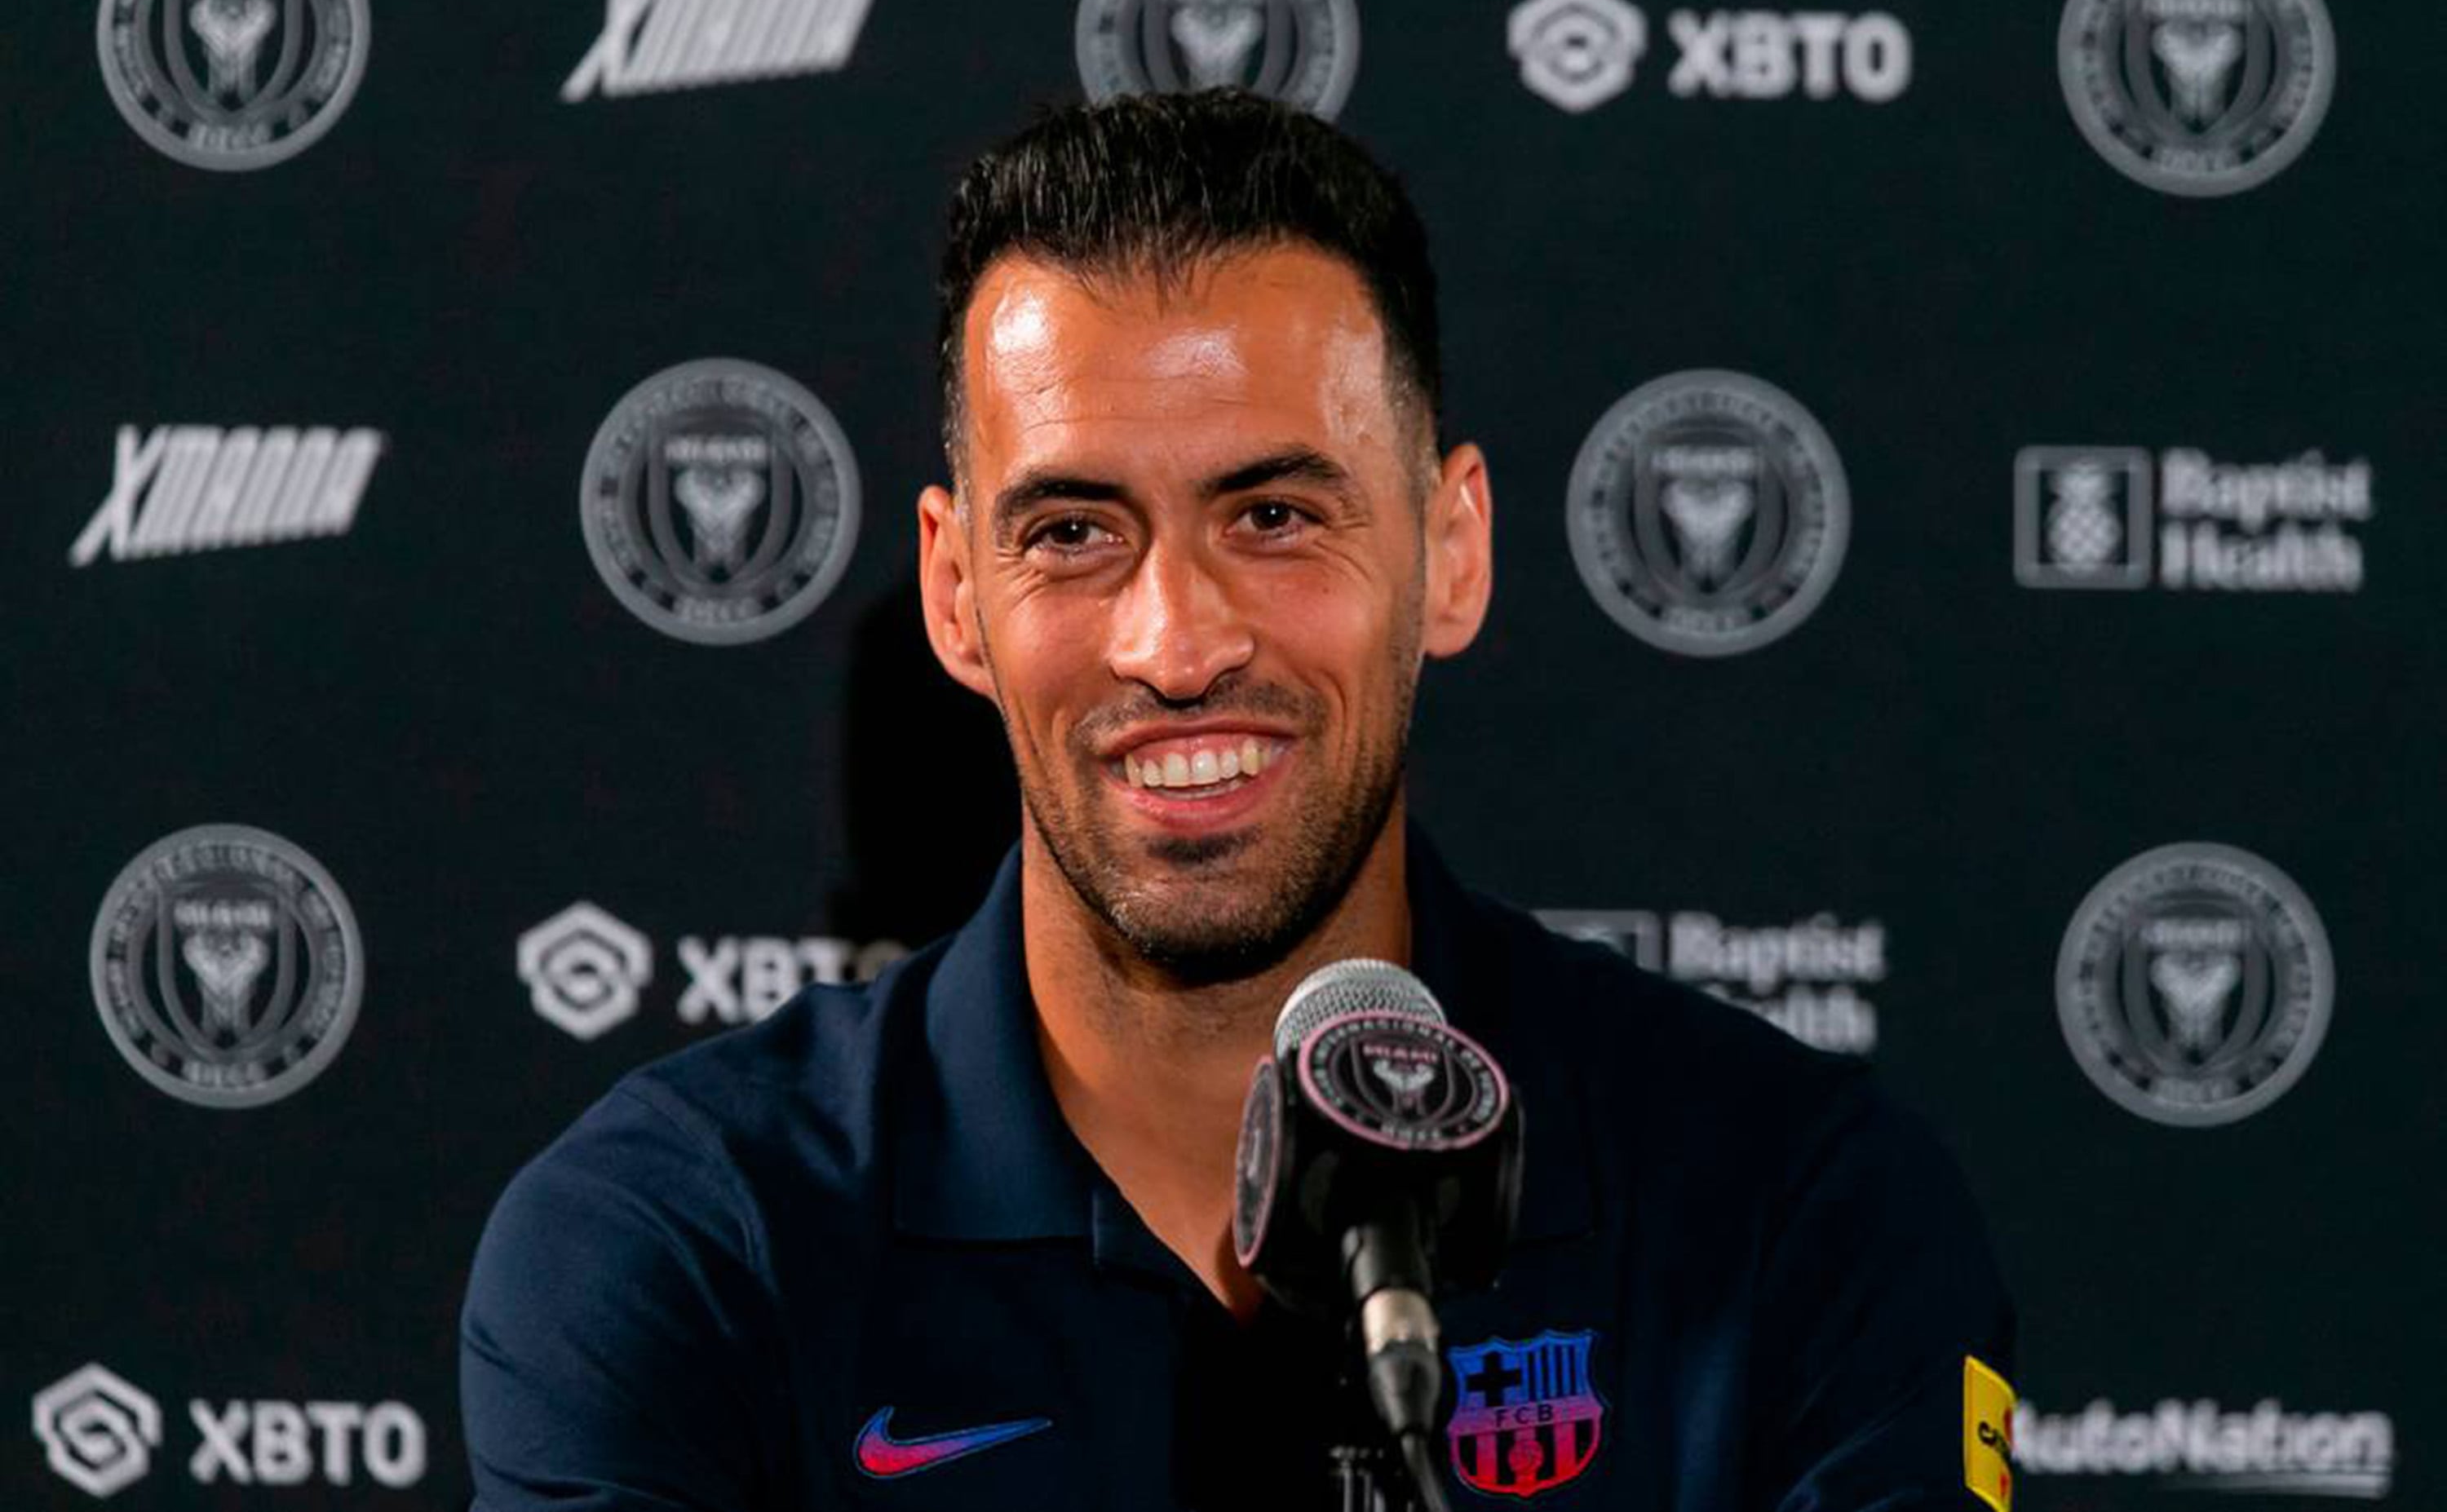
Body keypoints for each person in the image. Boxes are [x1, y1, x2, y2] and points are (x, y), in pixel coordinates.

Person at [461, 89, 2015, 1511]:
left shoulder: (1800, 1213)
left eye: (1273, 515)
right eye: (1072, 531)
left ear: (1451, 551)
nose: (1178, 644)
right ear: (955, 595)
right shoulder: (677, 1245)